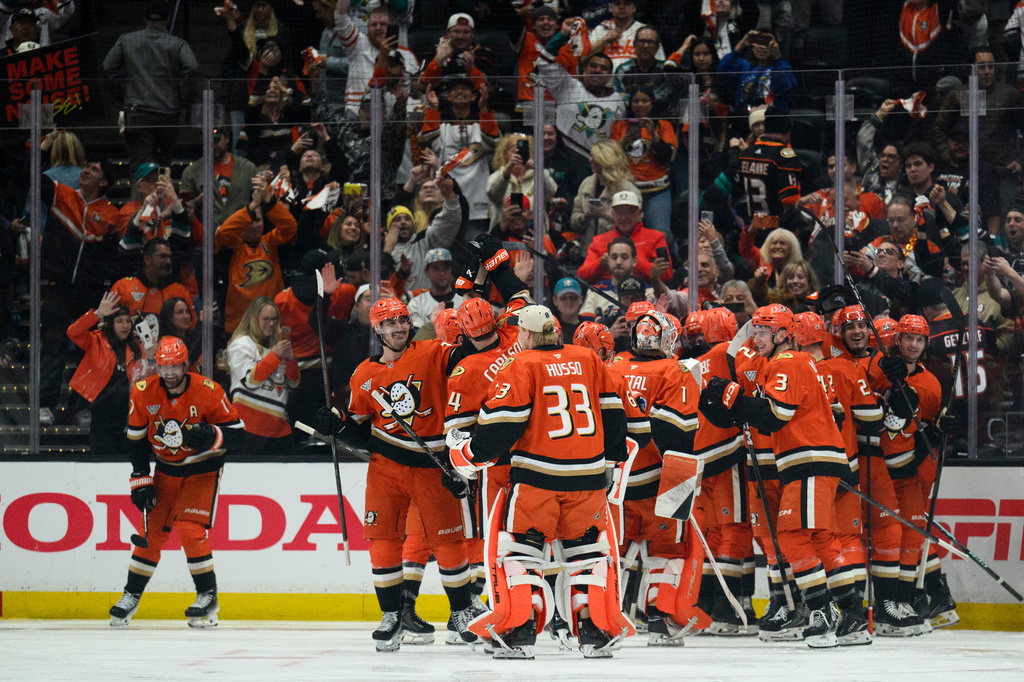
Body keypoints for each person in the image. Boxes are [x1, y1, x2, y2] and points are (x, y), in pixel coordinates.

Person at [447, 304, 632, 658]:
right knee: (587, 554)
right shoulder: (588, 359)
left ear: (527, 334)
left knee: (522, 553)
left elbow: (503, 425)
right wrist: (611, 461)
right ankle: (594, 634)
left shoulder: (521, 364)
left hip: (538, 478)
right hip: (588, 479)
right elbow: (613, 413)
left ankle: (519, 633)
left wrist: (468, 455)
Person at [700, 304, 851, 649]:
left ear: (784, 334)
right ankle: (826, 609)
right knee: (783, 539)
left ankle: (824, 609)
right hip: (797, 461)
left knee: (795, 537)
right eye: (754, 330)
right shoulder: (774, 363)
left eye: (764, 331)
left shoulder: (788, 363)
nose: (756, 337)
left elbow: (773, 415)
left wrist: (730, 395)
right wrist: (724, 401)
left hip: (806, 460)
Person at [337, 297, 479, 651]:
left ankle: (461, 612)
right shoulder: (363, 375)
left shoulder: (432, 351)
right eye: (390, 323)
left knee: (448, 542)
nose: (398, 328)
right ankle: (391, 616)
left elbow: (465, 359)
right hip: (385, 468)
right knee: (383, 539)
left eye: (402, 321)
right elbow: (358, 431)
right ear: (377, 329)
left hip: (432, 466)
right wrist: (337, 426)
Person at [109, 336, 245, 628]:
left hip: (203, 470)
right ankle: (131, 594)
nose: (169, 374)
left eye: (175, 367)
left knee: (189, 528)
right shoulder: (143, 391)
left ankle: (207, 595)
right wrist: (140, 478)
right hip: (166, 471)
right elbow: (134, 440)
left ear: (186, 365)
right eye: (163, 367)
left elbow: (239, 434)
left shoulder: (209, 391)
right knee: (151, 534)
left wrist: (212, 436)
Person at [102, 0, 200, 171]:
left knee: (139, 169)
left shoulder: (127, 40)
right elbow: (192, 68)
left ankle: (138, 198)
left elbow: (107, 68)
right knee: (163, 169)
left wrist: (121, 95)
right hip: (168, 113)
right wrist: (186, 98)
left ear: (145, 19)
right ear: (168, 20)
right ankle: (163, 197)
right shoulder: (177, 44)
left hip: (137, 112)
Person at [215, 175, 298, 334]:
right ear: (240, 221)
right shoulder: (232, 246)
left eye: (258, 220)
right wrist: (253, 205)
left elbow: (290, 227)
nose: (254, 225)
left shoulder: (271, 242)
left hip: (272, 325)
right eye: (249, 220)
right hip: (239, 328)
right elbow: (222, 233)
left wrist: (269, 201)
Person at [67, 292, 142, 456]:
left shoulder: (137, 348)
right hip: (101, 419)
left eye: (128, 321)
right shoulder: (96, 341)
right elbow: (73, 332)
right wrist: (98, 314)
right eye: (119, 321)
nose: (125, 326)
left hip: (128, 421)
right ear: (110, 324)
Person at [420, 78, 499, 231]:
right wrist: (433, 109)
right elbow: (426, 144)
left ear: (473, 96)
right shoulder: (441, 127)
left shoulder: (482, 125)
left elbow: (494, 144)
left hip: (478, 201)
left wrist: (484, 109)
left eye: (465, 89)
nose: (460, 91)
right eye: (455, 89)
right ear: (448, 97)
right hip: (447, 201)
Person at [226, 296, 299, 456]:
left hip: (280, 431)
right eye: (266, 319)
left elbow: (293, 383)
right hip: (250, 429)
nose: (271, 324)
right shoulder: (241, 344)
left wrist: (290, 359)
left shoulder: (276, 347)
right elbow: (250, 380)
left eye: (274, 319)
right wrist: (275, 355)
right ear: (253, 319)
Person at [537, 37, 626, 161]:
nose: (597, 70)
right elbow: (544, 63)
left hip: (596, 162)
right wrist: (562, 35)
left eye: (603, 68)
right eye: (593, 66)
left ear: (610, 77)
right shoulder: (567, 85)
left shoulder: (617, 101)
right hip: (562, 156)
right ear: (584, 70)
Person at [610, 84, 678, 239]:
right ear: (630, 104)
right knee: (625, 236)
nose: (640, 104)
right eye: (636, 101)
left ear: (652, 103)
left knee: (661, 235)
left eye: (645, 100)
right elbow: (610, 160)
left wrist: (653, 134)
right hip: (626, 189)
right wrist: (623, 142)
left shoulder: (663, 126)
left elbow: (668, 157)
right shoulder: (620, 126)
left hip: (657, 190)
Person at [109, 238, 196, 349]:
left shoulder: (179, 291)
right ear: (147, 259)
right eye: (163, 256)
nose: (168, 262)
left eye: (170, 257)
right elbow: (108, 327)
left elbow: (191, 328)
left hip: (168, 357)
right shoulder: (123, 287)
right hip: (129, 356)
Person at [383, 175, 461, 294]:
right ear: (389, 227)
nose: (403, 222)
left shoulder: (423, 241)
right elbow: (380, 281)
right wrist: (388, 248)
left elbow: (447, 222)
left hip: (427, 302)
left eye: (407, 219)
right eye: (397, 220)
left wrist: (450, 198)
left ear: (413, 224)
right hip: (396, 305)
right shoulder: (381, 250)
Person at [577, 190, 672, 285]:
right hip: (607, 293)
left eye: (629, 212)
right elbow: (581, 276)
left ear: (639, 213)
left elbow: (667, 275)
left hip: (643, 292)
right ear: (612, 214)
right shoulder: (598, 240)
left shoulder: (655, 237)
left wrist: (632, 261)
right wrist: (599, 264)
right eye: (619, 212)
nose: (624, 217)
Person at [181, 127, 259, 232]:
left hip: (241, 239)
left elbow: (258, 203)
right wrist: (197, 202)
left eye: (216, 141)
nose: (212, 146)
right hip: (207, 240)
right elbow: (182, 210)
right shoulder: (192, 172)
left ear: (227, 138)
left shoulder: (247, 169)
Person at [737, 105, 800, 232]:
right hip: (777, 233)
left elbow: (738, 191)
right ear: (787, 131)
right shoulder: (784, 155)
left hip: (752, 229)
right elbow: (789, 201)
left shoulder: (746, 152)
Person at [571, 139, 641, 246]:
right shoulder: (586, 184)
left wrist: (604, 215)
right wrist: (585, 217)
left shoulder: (628, 190)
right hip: (588, 252)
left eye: (594, 157)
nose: (590, 160)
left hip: (617, 253)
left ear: (606, 159)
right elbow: (574, 221)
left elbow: (635, 226)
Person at [717, 30, 795, 113]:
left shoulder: (783, 66)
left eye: (766, 43)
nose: (761, 47)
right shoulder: (743, 65)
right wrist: (741, 44)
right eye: (758, 42)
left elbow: (783, 87)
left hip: (772, 116)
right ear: (752, 46)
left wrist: (777, 59)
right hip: (746, 116)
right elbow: (722, 70)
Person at [589, 0, 663, 70]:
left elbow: (660, 63)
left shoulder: (647, 32)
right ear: (611, 8)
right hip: (604, 81)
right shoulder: (601, 29)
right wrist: (606, 39)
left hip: (635, 81)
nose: (621, 7)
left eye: (626, 3)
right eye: (617, 3)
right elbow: (583, 58)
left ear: (634, 8)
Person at [406, 248, 461, 328]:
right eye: (435, 268)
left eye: (445, 268)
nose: (442, 273)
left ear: (450, 270)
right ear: (427, 272)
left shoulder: (464, 302)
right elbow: (417, 338)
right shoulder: (416, 304)